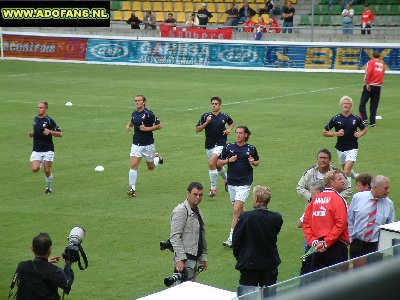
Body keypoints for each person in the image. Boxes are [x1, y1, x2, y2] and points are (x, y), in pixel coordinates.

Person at [217, 125, 260, 248]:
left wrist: (253, 162)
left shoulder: (251, 148)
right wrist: (228, 161)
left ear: (246, 135)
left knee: (236, 210)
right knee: (239, 210)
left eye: (240, 133)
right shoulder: (228, 147)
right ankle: (255, 219)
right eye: (236, 133)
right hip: (232, 183)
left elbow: (257, 162)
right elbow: (218, 162)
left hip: (244, 183)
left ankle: (231, 238)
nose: (237, 135)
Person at [232, 185, 283, 287]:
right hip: (270, 264)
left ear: (256, 199)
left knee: (248, 296)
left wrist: (241, 257)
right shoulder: (277, 218)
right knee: (269, 296)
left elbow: (236, 240)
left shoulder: (247, 217)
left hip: (250, 264)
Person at [303, 170, 349, 272]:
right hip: (336, 247)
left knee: (318, 283)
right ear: (331, 182)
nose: (344, 181)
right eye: (340, 179)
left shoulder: (315, 200)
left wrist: (314, 242)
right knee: (339, 283)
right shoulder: (338, 199)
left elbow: (306, 223)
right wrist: (326, 242)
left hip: (317, 248)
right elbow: (341, 224)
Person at [11, 232, 73, 300]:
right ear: (50, 249)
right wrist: (68, 264)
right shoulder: (55, 271)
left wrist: (44, 261)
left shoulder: (22, 266)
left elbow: (36, 269)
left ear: (32, 248)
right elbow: (67, 287)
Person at [348, 175, 395, 262]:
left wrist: (383, 245)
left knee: (374, 274)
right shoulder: (358, 197)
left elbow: (390, 227)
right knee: (358, 273)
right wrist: (351, 238)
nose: (388, 191)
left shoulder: (389, 204)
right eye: (386, 188)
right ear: (375, 188)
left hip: (375, 246)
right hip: (357, 244)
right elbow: (350, 219)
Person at [323, 96, 367, 185]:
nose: (345, 105)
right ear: (341, 105)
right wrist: (336, 133)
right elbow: (324, 132)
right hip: (340, 148)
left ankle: (347, 190)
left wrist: (360, 134)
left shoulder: (356, 118)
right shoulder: (336, 118)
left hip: (352, 147)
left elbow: (364, 129)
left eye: (347, 104)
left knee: (346, 171)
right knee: (346, 170)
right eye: (344, 103)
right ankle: (356, 177)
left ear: (351, 105)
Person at [169, 182, 208, 283]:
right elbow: (175, 237)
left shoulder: (198, 211)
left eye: (200, 195)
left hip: (194, 261)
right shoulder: (180, 211)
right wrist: (180, 259)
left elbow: (201, 236)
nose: (198, 197)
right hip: (186, 261)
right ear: (188, 194)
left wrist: (203, 257)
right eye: (195, 194)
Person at [196, 97, 234, 197]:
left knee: (211, 163)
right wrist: (207, 122)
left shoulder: (224, 116)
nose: (214, 105)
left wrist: (229, 130)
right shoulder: (205, 116)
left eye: (216, 103)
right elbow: (197, 129)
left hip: (221, 144)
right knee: (217, 165)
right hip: (209, 145)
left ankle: (213, 189)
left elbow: (231, 123)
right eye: (212, 103)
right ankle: (226, 180)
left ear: (220, 105)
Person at [125, 95, 163, 197]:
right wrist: (128, 126)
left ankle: (157, 158)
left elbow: (159, 125)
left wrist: (147, 129)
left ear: (144, 102)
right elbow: (133, 122)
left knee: (150, 167)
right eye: (135, 101)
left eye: (139, 101)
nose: (137, 102)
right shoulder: (134, 113)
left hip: (148, 145)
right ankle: (132, 189)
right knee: (133, 165)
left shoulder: (149, 114)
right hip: (136, 144)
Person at [28, 101, 63, 195]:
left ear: (46, 109)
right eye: (38, 107)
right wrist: (32, 134)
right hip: (37, 149)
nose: (39, 109)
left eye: (41, 107)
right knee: (34, 169)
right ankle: (40, 162)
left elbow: (60, 134)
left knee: (47, 170)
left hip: (48, 149)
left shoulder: (49, 120)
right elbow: (38, 132)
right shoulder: (35, 119)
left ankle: (48, 188)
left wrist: (50, 131)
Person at [297, 180, 324, 275]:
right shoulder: (331, 202)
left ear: (317, 192)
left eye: (312, 193)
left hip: (313, 243)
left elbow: (300, 223)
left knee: (307, 270)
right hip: (326, 242)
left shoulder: (314, 205)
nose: (311, 196)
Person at [358, 50, 385, 127]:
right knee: (374, 105)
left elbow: (368, 72)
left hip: (370, 85)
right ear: (379, 56)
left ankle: (364, 119)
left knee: (362, 103)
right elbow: (383, 74)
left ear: (372, 56)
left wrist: (367, 83)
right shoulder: (382, 64)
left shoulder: (371, 62)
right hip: (378, 86)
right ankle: (373, 122)